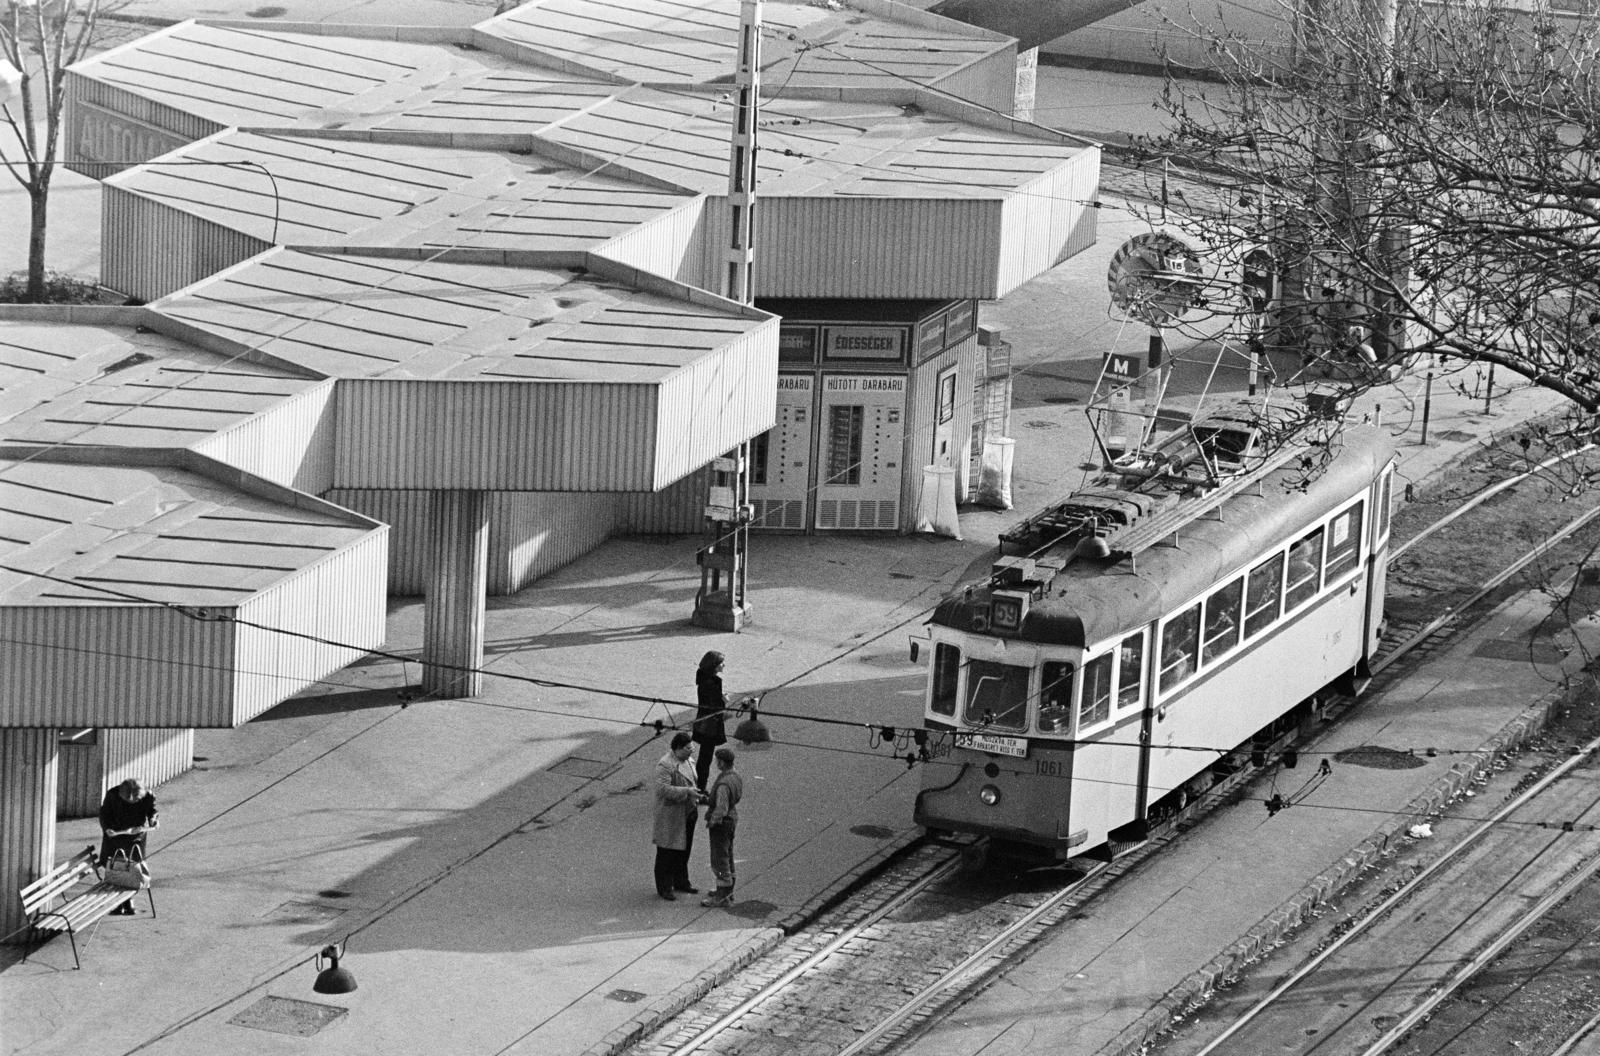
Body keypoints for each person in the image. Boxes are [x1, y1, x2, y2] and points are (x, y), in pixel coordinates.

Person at [652, 732, 702, 900]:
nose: (692, 751)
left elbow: (693, 780)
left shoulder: (688, 760)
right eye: (688, 748)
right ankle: (664, 887)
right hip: (671, 814)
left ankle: (681, 881)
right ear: (678, 748)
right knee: (667, 851)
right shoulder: (665, 765)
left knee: (683, 850)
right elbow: (663, 790)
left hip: (687, 811)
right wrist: (687, 792)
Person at [99, 778, 158, 915]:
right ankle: (122, 902)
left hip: (136, 837)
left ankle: (127, 901)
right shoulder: (112, 795)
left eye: (135, 800)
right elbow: (104, 814)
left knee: (132, 868)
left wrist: (153, 819)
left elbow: (152, 810)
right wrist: (107, 828)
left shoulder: (147, 796)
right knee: (117, 869)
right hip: (116, 837)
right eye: (128, 800)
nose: (132, 801)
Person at [700, 747, 744, 908]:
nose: (715, 763)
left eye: (717, 761)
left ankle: (721, 896)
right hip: (732, 819)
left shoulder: (724, 784)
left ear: (722, 763)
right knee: (728, 855)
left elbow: (721, 808)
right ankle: (728, 891)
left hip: (722, 823)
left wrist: (712, 821)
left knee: (719, 859)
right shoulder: (735, 776)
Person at [692, 651, 730, 792]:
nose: (723, 665)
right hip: (710, 727)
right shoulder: (710, 683)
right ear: (714, 666)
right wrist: (723, 700)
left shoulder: (705, 680)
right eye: (721, 663)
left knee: (704, 757)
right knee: (705, 759)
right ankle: (700, 788)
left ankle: (699, 786)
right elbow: (715, 707)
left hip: (705, 724)